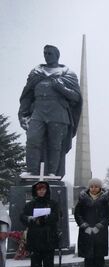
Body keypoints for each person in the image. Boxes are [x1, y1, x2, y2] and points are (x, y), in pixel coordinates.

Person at [18, 45, 82, 177]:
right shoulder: (36, 72)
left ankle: (53, 172)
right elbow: (27, 95)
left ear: (57, 55)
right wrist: (23, 115)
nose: (46, 56)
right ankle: (31, 171)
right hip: (39, 110)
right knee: (32, 139)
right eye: (45, 53)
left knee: (55, 144)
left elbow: (76, 97)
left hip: (58, 113)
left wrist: (61, 87)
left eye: (49, 53)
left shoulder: (68, 74)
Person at [20, 181, 61, 267]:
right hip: (35, 238)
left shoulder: (53, 203)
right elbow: (22, 216)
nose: (41, 191)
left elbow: (57, 216)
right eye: (39, 189)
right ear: (36, 191)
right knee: (35, 264)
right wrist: (30, 218)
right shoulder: (30, 204)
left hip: (48, 238)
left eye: (43, 189)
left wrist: (45, 218)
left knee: (48, 263)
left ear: (47, 190)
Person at [74, 178, 109, 267]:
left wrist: (100, 226)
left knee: (99, 258)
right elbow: (77, 214)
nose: (94, 188)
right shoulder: (82, 198)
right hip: (86, 233)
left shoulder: (106, 199)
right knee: (88, 258)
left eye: (96, 186)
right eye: (92, 186)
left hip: (100, 233)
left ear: (100, 187)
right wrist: (84, 226)